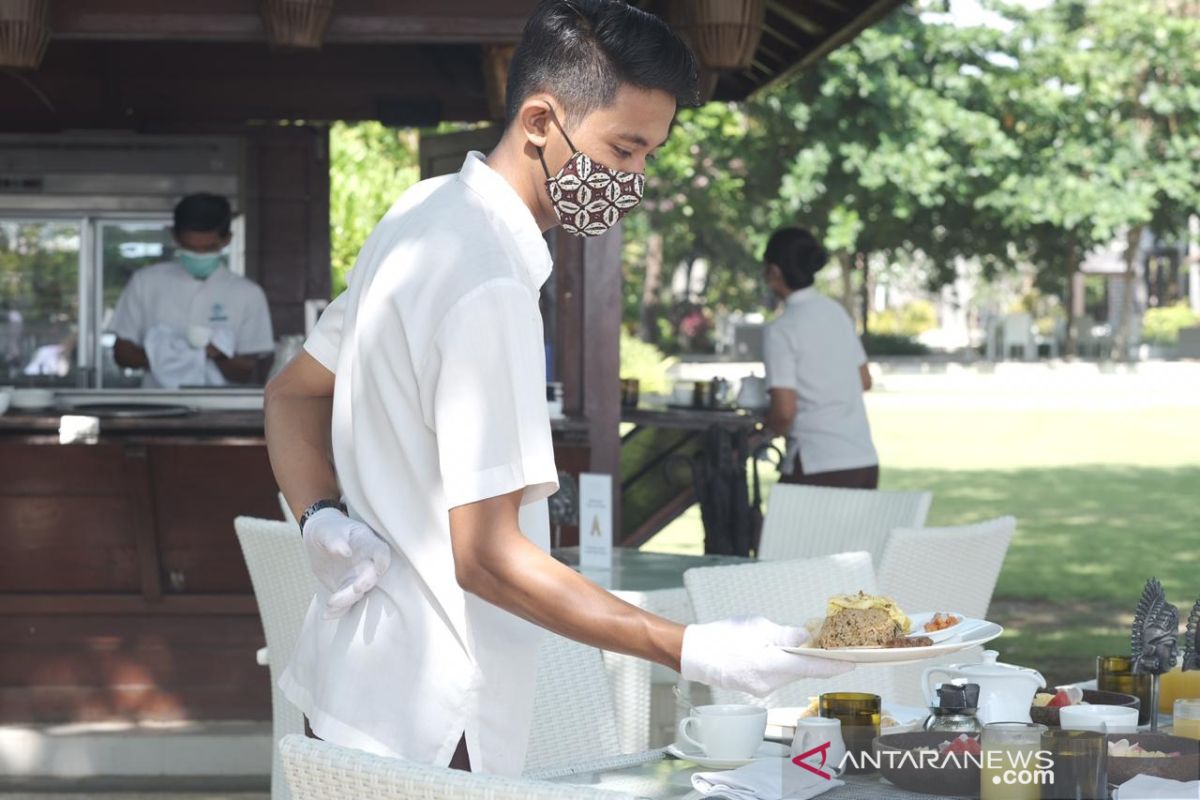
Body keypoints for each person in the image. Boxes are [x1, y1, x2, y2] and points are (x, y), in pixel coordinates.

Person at [264, 0, 852, 777]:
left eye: (650, 154)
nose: (636, 179)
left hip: (352, 685)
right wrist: (692, 648)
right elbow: (488, 557)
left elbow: (291, 395)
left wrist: (318, 516)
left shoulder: (422, 215)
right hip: (436, 725)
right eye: (624, 148)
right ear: (541, 119)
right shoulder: (488, 285)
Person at [109, 193, 273, 388]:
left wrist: (216, 354)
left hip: (223, 407)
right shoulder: (146, 281)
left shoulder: (248, 293)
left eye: (209, 248)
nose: (199, 255)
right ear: (174, 236)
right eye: (190, 247)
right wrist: (169, 356)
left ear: (227, 239)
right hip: (160, 403)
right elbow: (122, 354)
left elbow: (245, 371)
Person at [761, 227, 879, 488]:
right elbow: (864, 380)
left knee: (779, 530)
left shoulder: (781, 329)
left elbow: (784, 411)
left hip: (817, 461)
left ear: (775, 271)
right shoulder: (836, 313)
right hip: (862, 458)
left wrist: (760, 435)